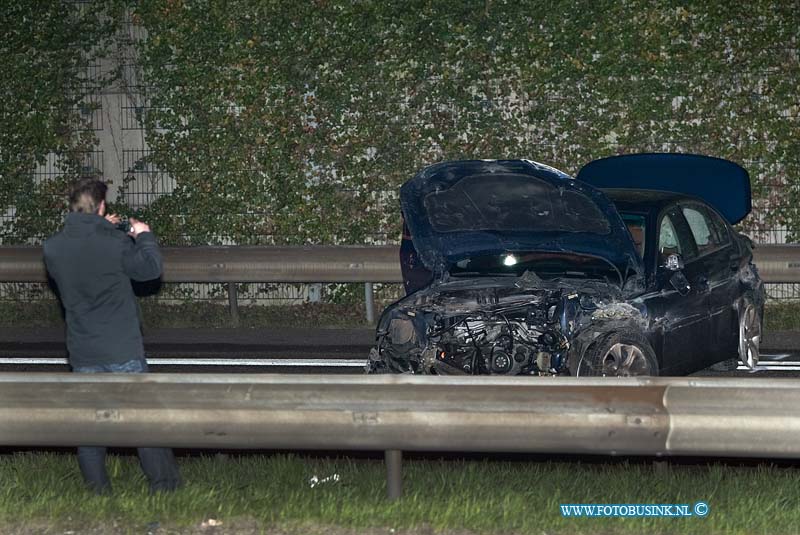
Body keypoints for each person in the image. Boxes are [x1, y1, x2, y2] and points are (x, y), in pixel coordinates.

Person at [43, 178, 181, 495]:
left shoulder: (52, 248)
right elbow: (148, 270)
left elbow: (84, 253)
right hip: (122, 348)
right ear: (102, 206)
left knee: (92, 426)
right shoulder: (116, 244)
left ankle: (97, 491)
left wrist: (101, 227)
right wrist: (144, 237)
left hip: (82, 349)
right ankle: (164, 488)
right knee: (144, 421)